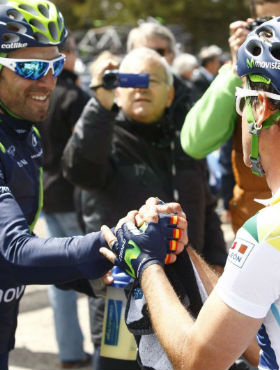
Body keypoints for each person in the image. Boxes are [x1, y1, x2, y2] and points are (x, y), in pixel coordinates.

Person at [0, 1, 186, 369]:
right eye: (30, 67)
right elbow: (17, 252)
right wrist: (114, 240)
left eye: (54, 65)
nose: (48, 81)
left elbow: (4, 257)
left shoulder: (22, 134)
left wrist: (97, 274)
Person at [102, 13, 280, 369]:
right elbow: (256, 331)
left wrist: (146, 264)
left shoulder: (273, 231)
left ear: (260, 108)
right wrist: (185, 250)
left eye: (242, 102)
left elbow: (197, 360)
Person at [62, 47, 228, 369]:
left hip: (187, 301)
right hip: (120, 305)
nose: (141, 87)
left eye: (150, 80)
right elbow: (78, 169)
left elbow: (206, 209)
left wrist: (218, 267)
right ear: (117, 91)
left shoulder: (185, 143)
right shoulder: (104, 137)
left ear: (169, 95)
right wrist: (98, 104)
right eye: (131, 79)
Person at [180, 0, 280, 233]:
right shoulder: (239, 74)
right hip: (261, 228)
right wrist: (239, 69)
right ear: (251, 26)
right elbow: (194, 143)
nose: (279, 35)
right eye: (268, 25)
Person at [36, 35, 91, 369]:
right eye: (69, 52)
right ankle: (104, 351)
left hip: (46, 191)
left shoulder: (38, 92)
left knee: (61, 278)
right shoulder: (73, 96)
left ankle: (70, 351)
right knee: (97, 276)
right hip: (71, 194)